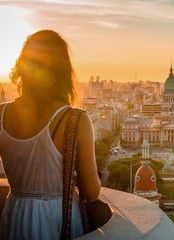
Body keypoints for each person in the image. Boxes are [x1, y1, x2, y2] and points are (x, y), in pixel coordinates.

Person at [0, 30, 101, 239]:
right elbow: (92, 193)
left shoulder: (1, 113)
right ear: (63, 72)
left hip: (15, 213)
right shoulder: (76, 120)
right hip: (59, 218)